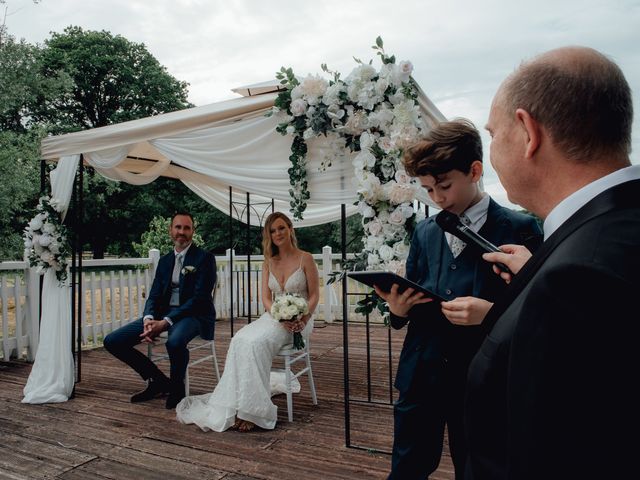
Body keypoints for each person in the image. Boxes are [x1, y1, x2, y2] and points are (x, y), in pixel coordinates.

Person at [465, 46, 640, 480]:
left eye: (493, 134)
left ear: (528, 132)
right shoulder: (613, 232)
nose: (492, 152)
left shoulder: (576, 280)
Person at [375, 119, 542, 480]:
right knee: (406, 467)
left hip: (482, 378)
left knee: (478, 468)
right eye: (427, 189)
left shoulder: (521, 228)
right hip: (421, 373)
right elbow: (415, 291)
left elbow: (539, 311)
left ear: (475, 170)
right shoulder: (424, 231)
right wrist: (398, 311)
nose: (436, 199)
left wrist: (491, 314)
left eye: (444, 186)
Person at [176, 211, 319, 432]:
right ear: (268, 236)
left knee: (256, 344)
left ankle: (254, 412)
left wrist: (303, 317)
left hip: (301, 320)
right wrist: (279, 315)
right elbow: (265, 298)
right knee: (240, 339)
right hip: (274, 316)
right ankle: (236, 405)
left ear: (290, 229)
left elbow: (314, 296)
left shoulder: (305, 258)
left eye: (281, 228)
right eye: (272, 231)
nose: (278, 233)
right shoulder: (269, 261)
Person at [104, 212, 216, 410]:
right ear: (170, 230)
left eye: (187, 228)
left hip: (194, 315)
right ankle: (157, 380)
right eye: (178, 227)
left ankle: (177, 387)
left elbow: (199, 299)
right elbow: (154, 294)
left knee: (174, 342)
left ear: (193, 231)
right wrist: (149, 318)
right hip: (162, 314)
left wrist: (166, 322)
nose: (182, 232)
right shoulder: (164, 261)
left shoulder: (204, 259)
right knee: (113, 341)